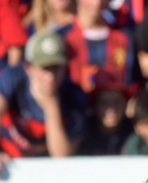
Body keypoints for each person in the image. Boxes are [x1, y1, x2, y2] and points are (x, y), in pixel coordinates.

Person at [0, 31, 86, 162]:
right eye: (44, 68)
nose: (50, 76)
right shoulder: (12, 78)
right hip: (9, 161)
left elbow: (62, 158)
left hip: (45, 172)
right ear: (29, 67)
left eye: (56, 68)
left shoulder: (75, 97)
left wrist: (52, 108)